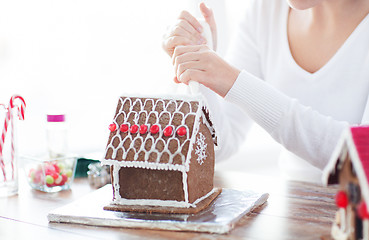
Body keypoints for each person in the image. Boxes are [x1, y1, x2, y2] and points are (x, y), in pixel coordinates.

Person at [162, 0, 369, 184]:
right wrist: (201, 77)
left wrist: (233, 82)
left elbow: (359, 157)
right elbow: (220, 144)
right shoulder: (265, 10)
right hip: (295, 212)